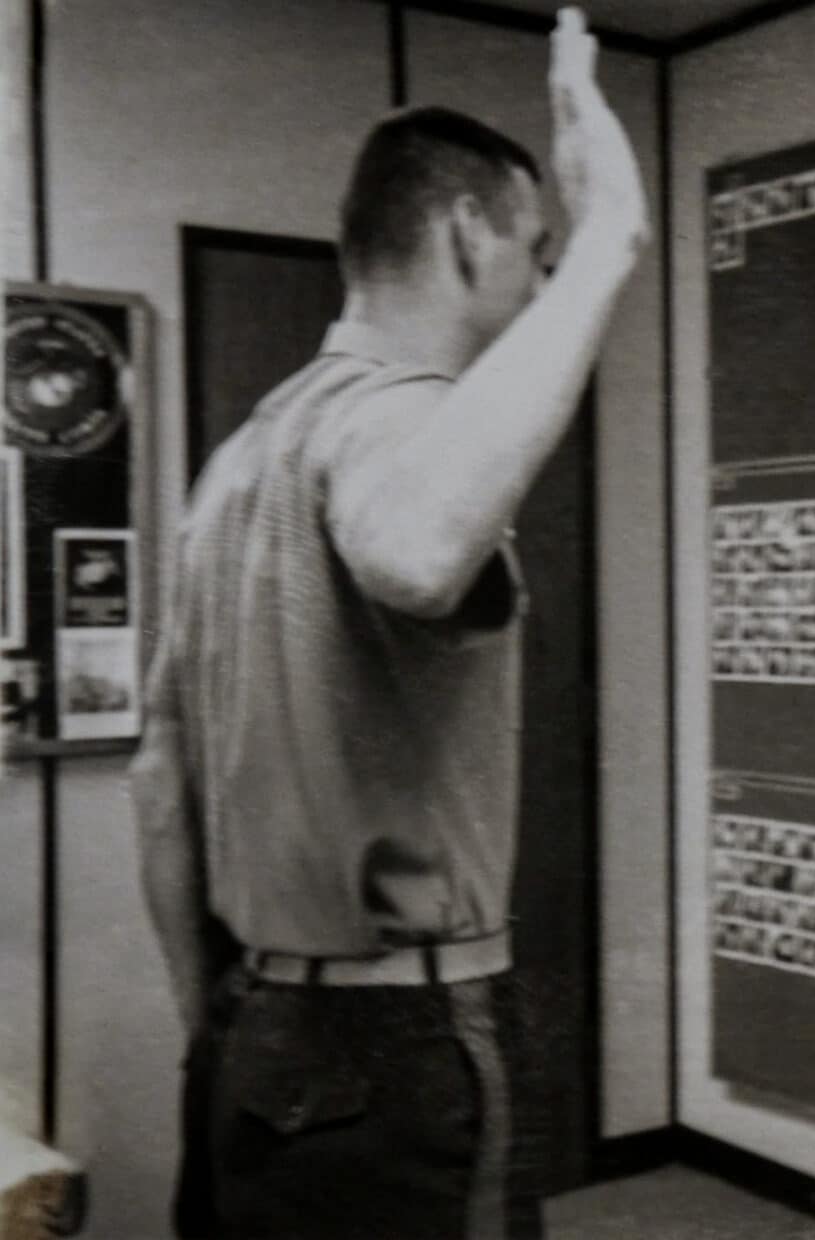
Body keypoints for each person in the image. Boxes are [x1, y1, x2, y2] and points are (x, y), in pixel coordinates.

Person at [129, 9, 649, 1238]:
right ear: (467, 232)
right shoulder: (395, 416)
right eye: (535, 250)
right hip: (402, 1031)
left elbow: (160, 783)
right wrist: (610, 246)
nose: (537, 281)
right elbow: (419, 551)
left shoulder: (238, 461)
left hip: (260, 1026)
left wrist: (221, 1010)